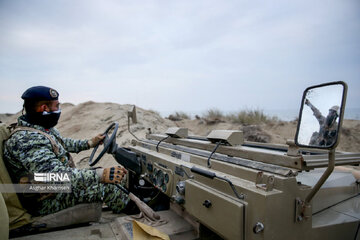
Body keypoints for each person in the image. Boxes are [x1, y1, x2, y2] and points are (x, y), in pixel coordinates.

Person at [3, 86, 129, 216]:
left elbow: (60, 143)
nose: (59, 110)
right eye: (56, 106)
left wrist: (90, 143)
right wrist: (99, 175)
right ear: (44, 109)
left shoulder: (40, 128)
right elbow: (56, 176)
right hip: (44, 199)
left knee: (109, 176)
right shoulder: (27, 140)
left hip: (54, 188)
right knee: (105, 186)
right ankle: (133, 212)